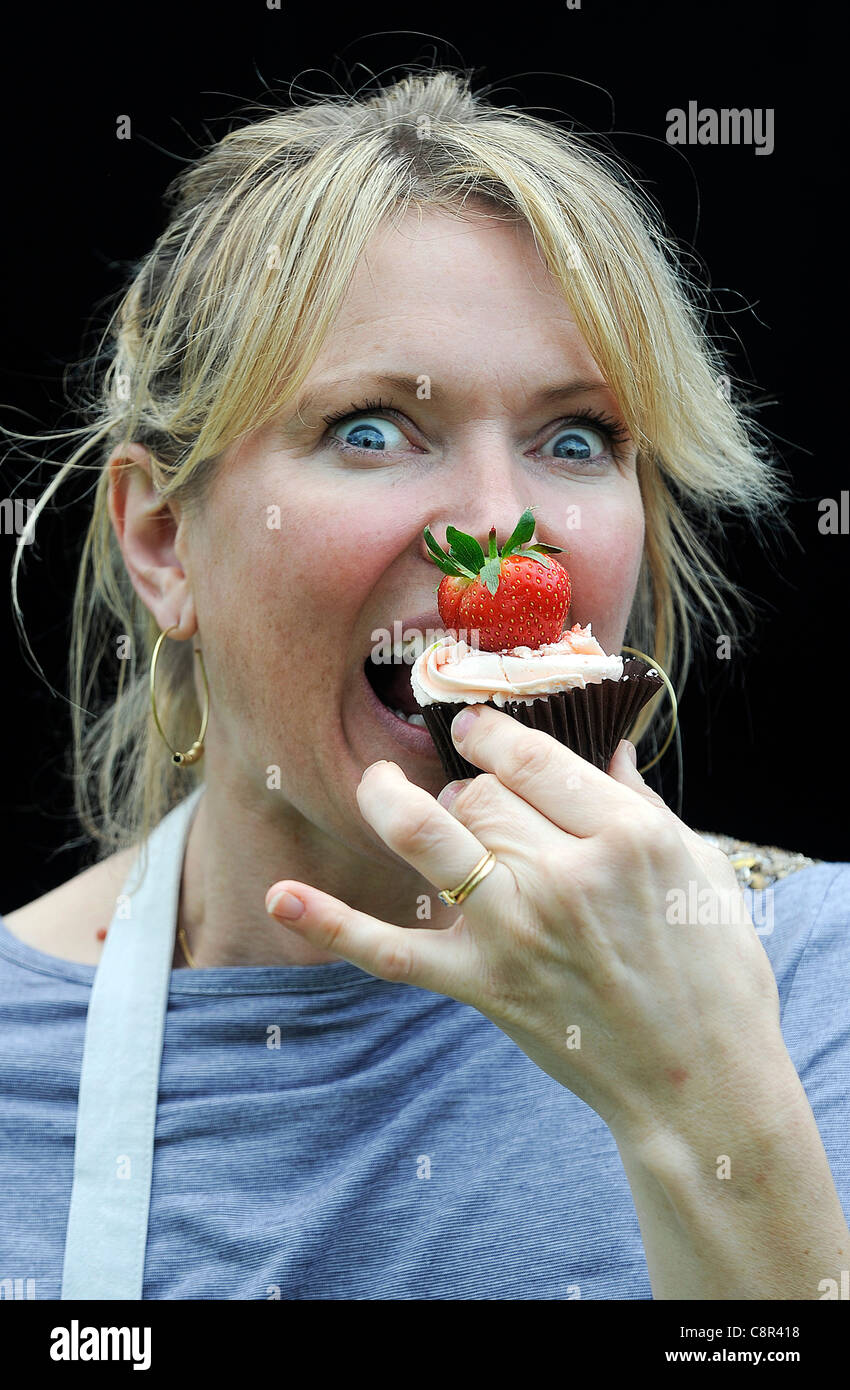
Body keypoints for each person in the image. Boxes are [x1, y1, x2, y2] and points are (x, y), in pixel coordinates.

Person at [1, 69, 847, 1302]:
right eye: (372, 429)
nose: (501, 529)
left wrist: (711, 1107)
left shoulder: (816, 984)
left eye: (575, 438)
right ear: (163, 542)